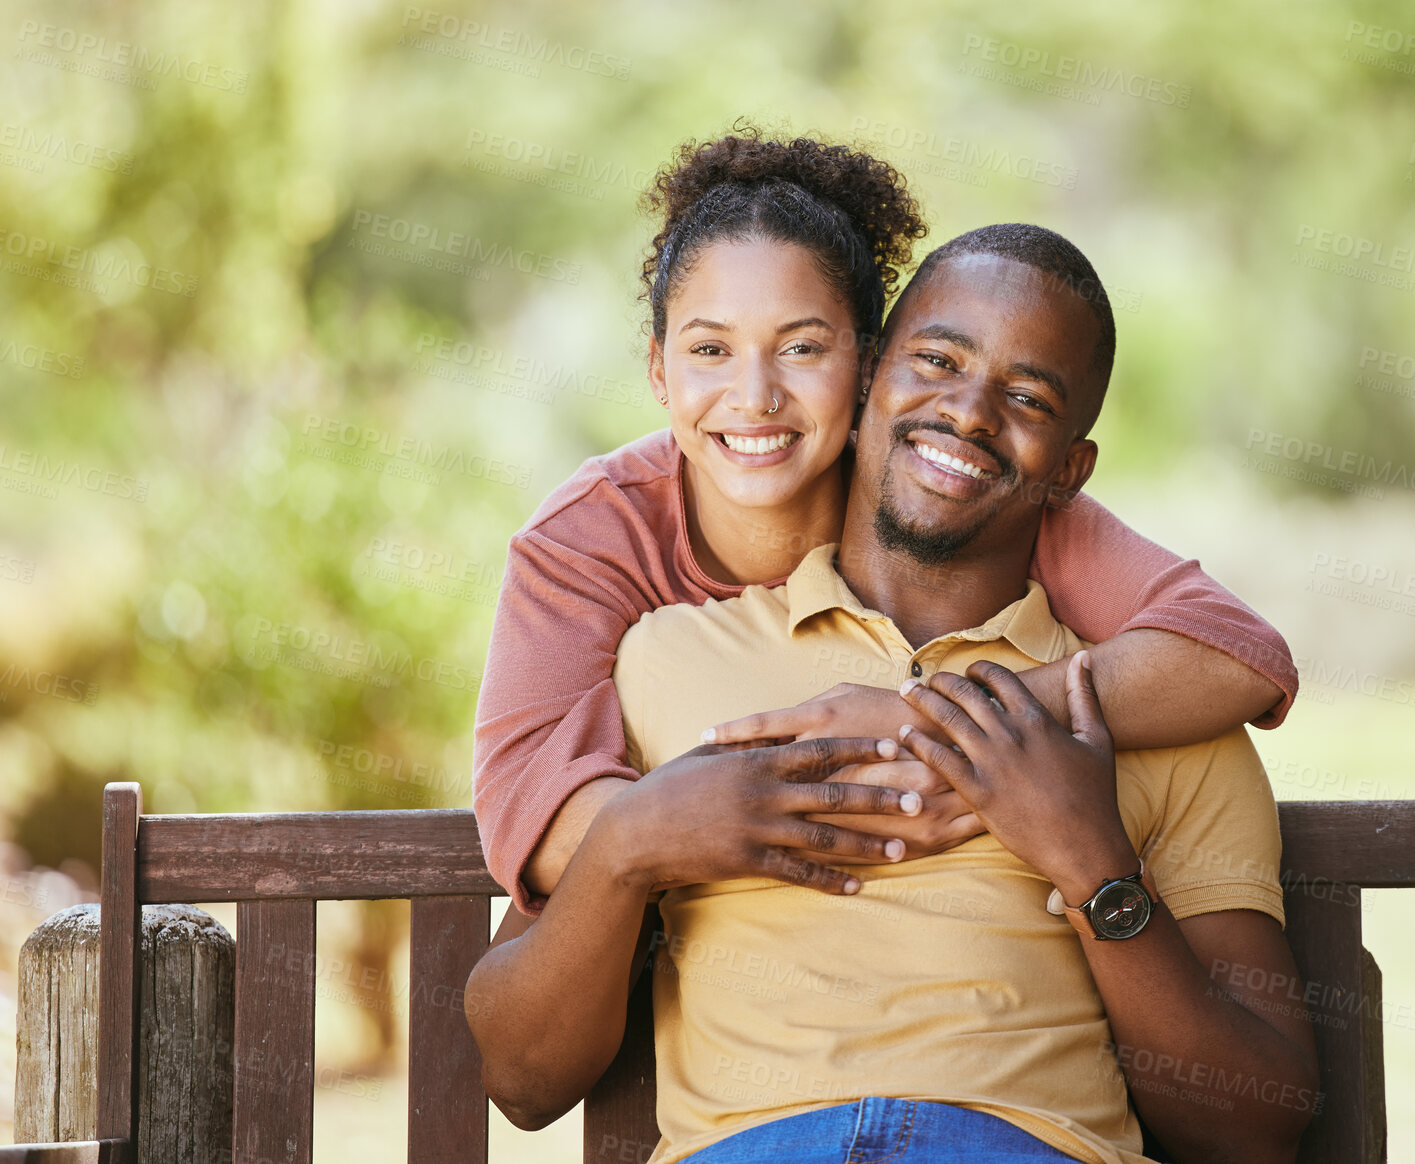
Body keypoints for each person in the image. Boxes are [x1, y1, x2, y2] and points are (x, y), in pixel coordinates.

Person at [466, 225, 1317, 1164]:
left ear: (1070, 470)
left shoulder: (1155, 709)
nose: (969, 413)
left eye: (1027, 397)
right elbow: (522, 1080)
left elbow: (1257, 1125)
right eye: (937, 361)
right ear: (869, 379)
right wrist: (629, 846)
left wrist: (1093, 867)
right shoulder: (667, 661)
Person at [473, 129, 1298, 916]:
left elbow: (1238, 659)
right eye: (709, 351)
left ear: (868, 366)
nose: (754, 397)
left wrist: (935, 721)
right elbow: (533, 821)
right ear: (659, 367)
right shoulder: (591, 536)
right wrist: (827, 807)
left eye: (801, 349)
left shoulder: (935, 485)